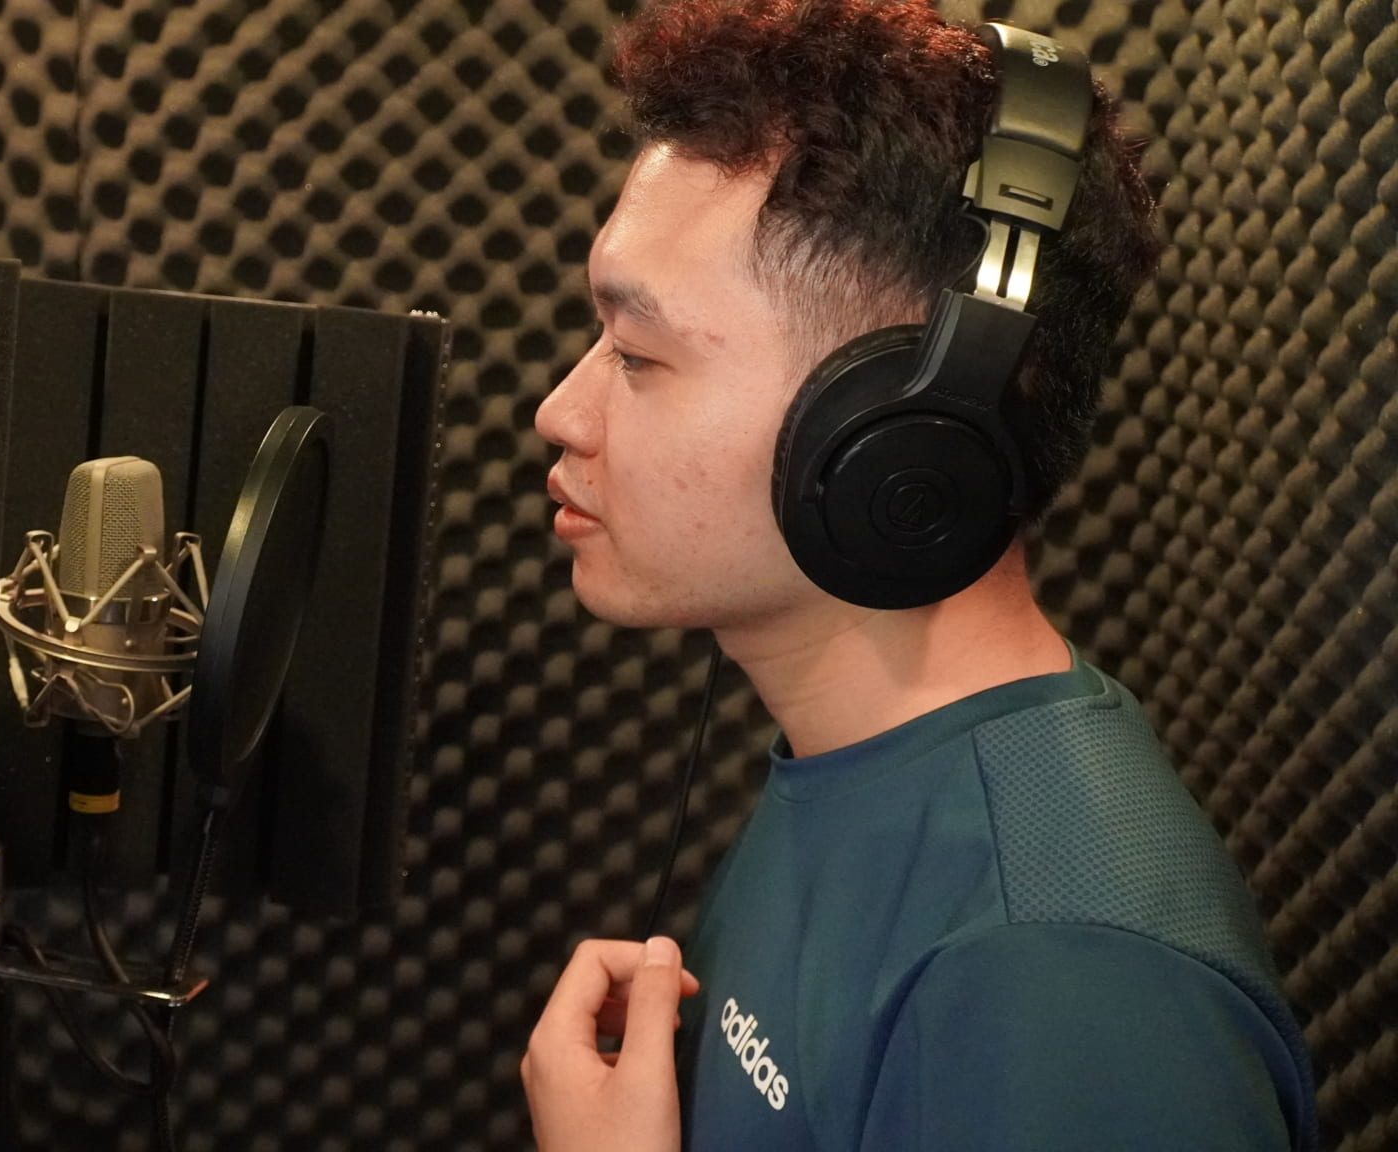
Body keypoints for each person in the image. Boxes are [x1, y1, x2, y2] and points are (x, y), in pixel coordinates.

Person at [518, 2, 1318, 1150]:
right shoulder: (854, 765)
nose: (559, 411)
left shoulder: (1064, 987)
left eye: (638, 355)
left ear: (895, 443)